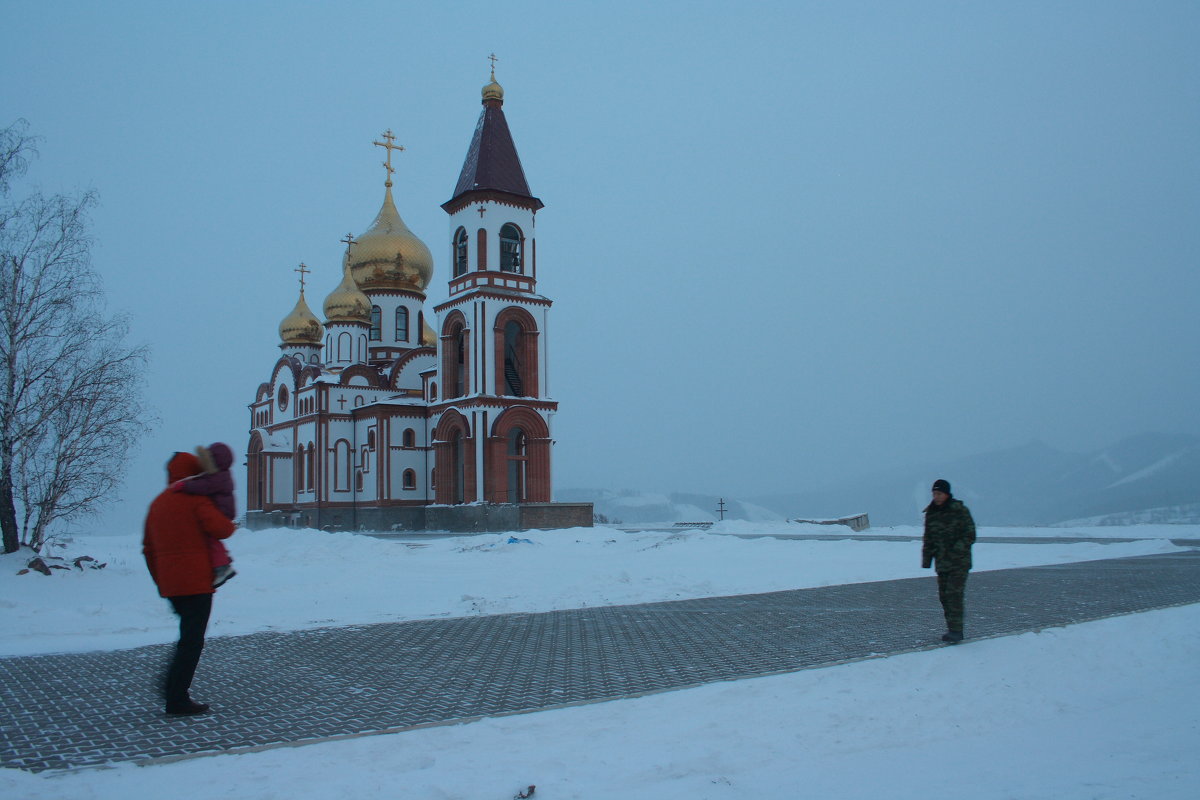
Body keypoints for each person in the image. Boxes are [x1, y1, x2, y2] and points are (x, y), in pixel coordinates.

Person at [143, 451, 237, 716]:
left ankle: (173, 687)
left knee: (187, 638)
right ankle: (176, 697)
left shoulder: (158, 504)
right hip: (196, 584)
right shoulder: (195, 500)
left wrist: (161, 581)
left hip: (171, 585)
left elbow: (147, 548)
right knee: (191, 641)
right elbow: (223, 529)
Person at [172, 442, 237, 587]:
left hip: (222, 512)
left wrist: (185, 486)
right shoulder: (220, 475)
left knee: (210, 538)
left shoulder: (218, 477)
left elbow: (205, 486)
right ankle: (223, 558)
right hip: (222, 510)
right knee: (211, 538)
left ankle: (222, 568)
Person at [921, 478, 976, 643]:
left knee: (954, 595)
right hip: (942, 563)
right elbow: (929, 537)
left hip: (959, 562)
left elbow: (970, 534)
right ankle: (951, 628)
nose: (936, 497)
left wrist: (956, 550)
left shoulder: (959, 510)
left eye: (939, 493)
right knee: (944, 596)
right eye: (934, 493)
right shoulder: (932, 513)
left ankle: (956, 631)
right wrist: (927, 558)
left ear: (946, 494)